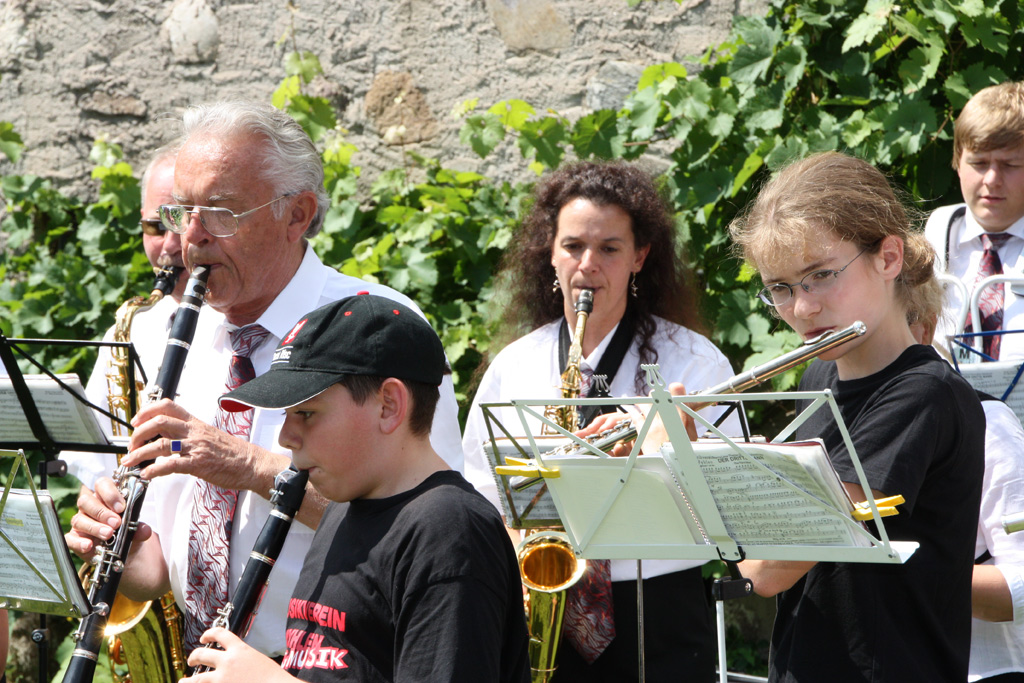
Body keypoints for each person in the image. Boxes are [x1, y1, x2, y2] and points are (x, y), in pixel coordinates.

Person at [67, 101, 464, 660]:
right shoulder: (156, 334)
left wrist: (248, 466)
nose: (190, 239)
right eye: (182, 212)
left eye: (221, 212)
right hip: (201, 661)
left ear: (297, 214)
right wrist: (121, 542)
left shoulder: (380, 329)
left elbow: (436, 531)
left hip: (337, 664)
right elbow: (157, 570)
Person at [462, 160, 740, 682]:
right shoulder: (515, 366)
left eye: (609, 249)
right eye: (572, 247)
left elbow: (733, 497)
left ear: (639, 257)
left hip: (661, 615)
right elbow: (479, 489)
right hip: (541, 602)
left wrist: (675, 451)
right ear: (550, 253)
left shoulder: (695, 364)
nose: (587, 265)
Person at [181, 293, 530, 682]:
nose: (285, 437)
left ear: (389, 405)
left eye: (306, 413)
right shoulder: (344, 508)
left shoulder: (449, 531)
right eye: (286, 415)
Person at [730, 151, 985, 682]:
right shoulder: (819, 380)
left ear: (888, 257)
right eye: (779, 287)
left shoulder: (923, 395)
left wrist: (682, 465)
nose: (801, 309)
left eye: (819, 276)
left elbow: (765, 570)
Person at [63, 143, 203, 488]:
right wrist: (97, 503)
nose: (170, 247)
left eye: (183, 224)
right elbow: (96, 470)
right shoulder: (131, 327)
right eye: (155, 226)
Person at [910, 297, 1024, 682]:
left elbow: (1019, 588)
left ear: (922, 328)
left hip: (979, 668)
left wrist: (896, 569)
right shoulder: (832, 416)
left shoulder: (989, 424)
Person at [925, 81, 1024, 361]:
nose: (991, 179)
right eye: (979, 163)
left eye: (1010, 165)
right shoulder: (938, 231)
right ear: (957, 161)